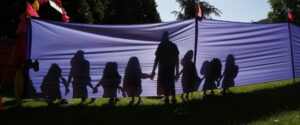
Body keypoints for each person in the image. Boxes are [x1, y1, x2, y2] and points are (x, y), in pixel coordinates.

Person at [151, 31, 179, 104]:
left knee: (166, 84)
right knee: (171, 84)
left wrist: (153, 70)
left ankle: (167, 99)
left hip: (163, 68)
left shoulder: (161, 46)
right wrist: (177, 71)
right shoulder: (173, 46)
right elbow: (177, 59)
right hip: (171, 68)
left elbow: (157, 59)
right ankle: (173, 99)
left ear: (163, 37)